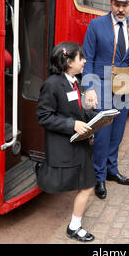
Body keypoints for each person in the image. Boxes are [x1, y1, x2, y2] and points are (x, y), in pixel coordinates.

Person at [82, 0, 129, 199]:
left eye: (125, 5)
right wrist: (89, 88)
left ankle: (112, 170)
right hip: (101, 83)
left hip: (124, 82)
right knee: (102, 134)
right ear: (110, 4)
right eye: (117, 4)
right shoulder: (96, 25)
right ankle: (99, 176)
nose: (121, 9)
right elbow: (88, 58)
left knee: (118, 131)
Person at [36, 42, 104, 242]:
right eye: (80, 58)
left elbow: (75, 111)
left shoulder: (73, 80)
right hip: (65, 144)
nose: (84, 61)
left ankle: (74, 226)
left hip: (77, 143)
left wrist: (96, 115)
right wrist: (72, 124)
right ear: (68, 61)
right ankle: (74, 227)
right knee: (87, 184)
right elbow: (43, 117)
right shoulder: (52, 84)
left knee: (87, 183)